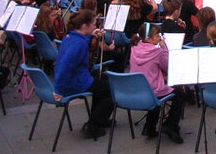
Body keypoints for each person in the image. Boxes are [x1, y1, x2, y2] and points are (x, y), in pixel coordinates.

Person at [53, 10, 115, 139]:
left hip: (78, 77)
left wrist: (91, 35)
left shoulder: (71, 37)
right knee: (110, 91)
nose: (95, 27)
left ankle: (98, 119)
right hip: (76, 82)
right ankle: (94, 124)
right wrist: (58, 90)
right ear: (84, 26)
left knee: (102, 82)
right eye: (93, 24)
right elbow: (65, 66)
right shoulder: (79, 44)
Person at [129, 24, 184, 144]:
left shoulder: (134, 47)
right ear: (148, 39)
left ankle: (150, 126)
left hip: (137, 89)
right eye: (158, 36)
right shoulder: (157, 52)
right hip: (153, 91)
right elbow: (168, 66)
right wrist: (164, 48)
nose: (160, 38)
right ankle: (170, 124)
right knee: (180, 92)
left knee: (156, 85)